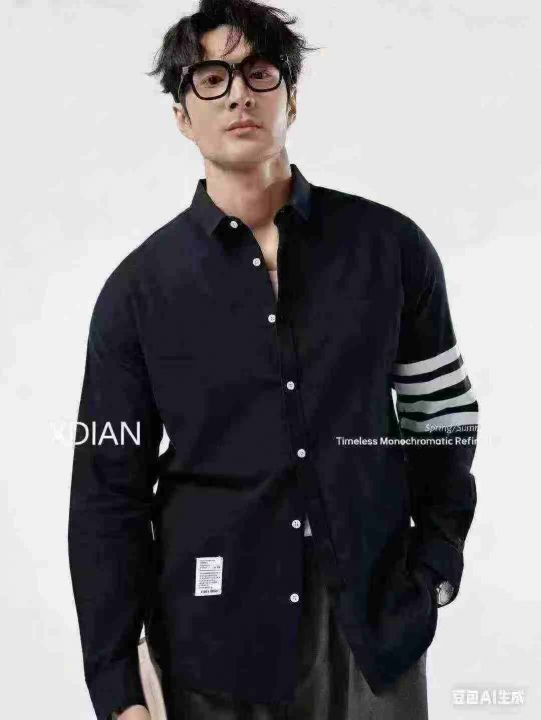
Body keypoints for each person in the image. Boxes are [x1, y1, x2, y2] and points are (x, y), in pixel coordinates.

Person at [67, 1, 479, 719]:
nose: (238, 94)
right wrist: (116, 687)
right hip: (212, 641)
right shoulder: (138, 291)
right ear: (181, 115)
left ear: (291, 97)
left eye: (259, 72)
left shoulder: (389, 249)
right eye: (211, 77)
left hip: (373, 631)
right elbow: (106, 493)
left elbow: (440, 416)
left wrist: (435, 564)